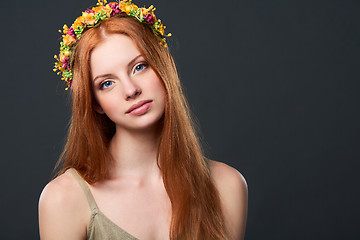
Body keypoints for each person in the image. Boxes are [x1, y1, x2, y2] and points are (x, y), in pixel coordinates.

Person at [38, 0, 248, 239]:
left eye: (139, 67)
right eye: (107, 83)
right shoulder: (63, 200)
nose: (130, 90)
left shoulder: (226, 186)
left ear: (166, 66)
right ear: (95, 103)